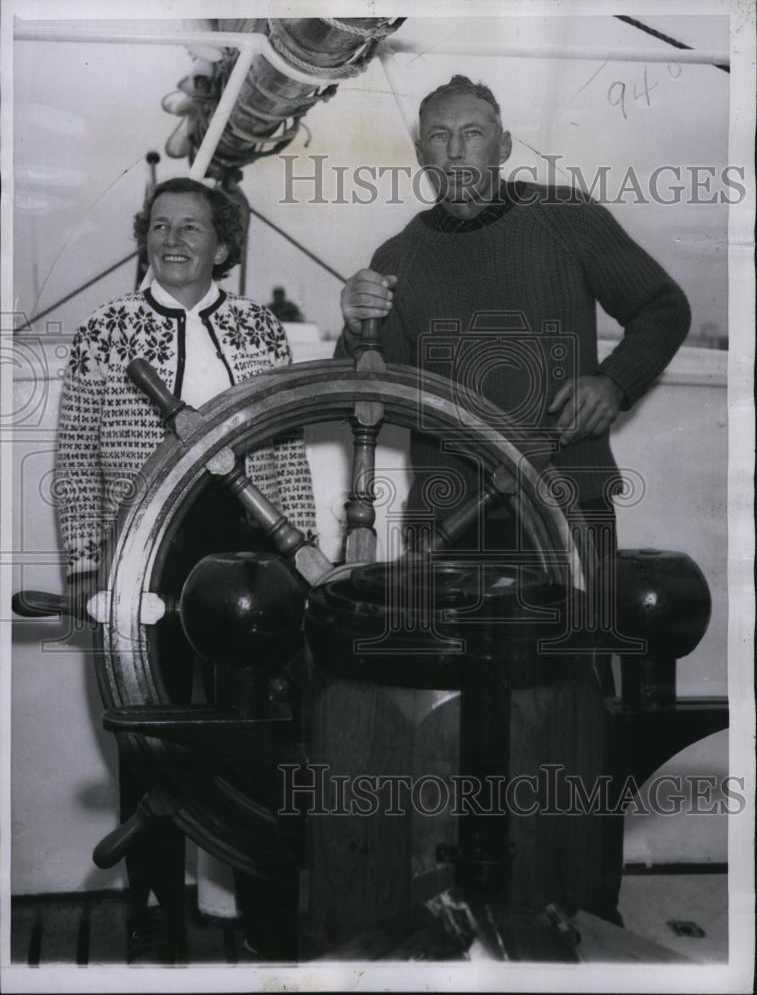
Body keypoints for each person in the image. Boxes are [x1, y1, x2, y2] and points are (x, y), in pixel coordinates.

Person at [335, 75, 690, 923]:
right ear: (420, 153)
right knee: (445, 718)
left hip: (565, 507)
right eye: (440, 138)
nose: (457, 152)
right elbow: (364, 395)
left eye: (473, 135)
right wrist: (354, 321)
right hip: (447, 528)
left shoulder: (566, 218)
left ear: (502, 144)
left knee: (576, 709)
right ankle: (457, 910)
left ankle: (584, 908)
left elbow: (661, 307)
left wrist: (613, 382)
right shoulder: (394, 258)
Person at [55, 177, 317, 962]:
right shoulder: (104, 333)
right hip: (145, 555)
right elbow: (75, 460)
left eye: (192, 229)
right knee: (152, 735)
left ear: (223, 245)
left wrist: (299, 554)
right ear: (144, 239)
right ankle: (154, 910)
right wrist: (81, 562)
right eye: (160, 227)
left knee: (260, 729)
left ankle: (266, 910)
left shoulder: (259, 331)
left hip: (245, 554)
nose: (174, 241)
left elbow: (285, 449)